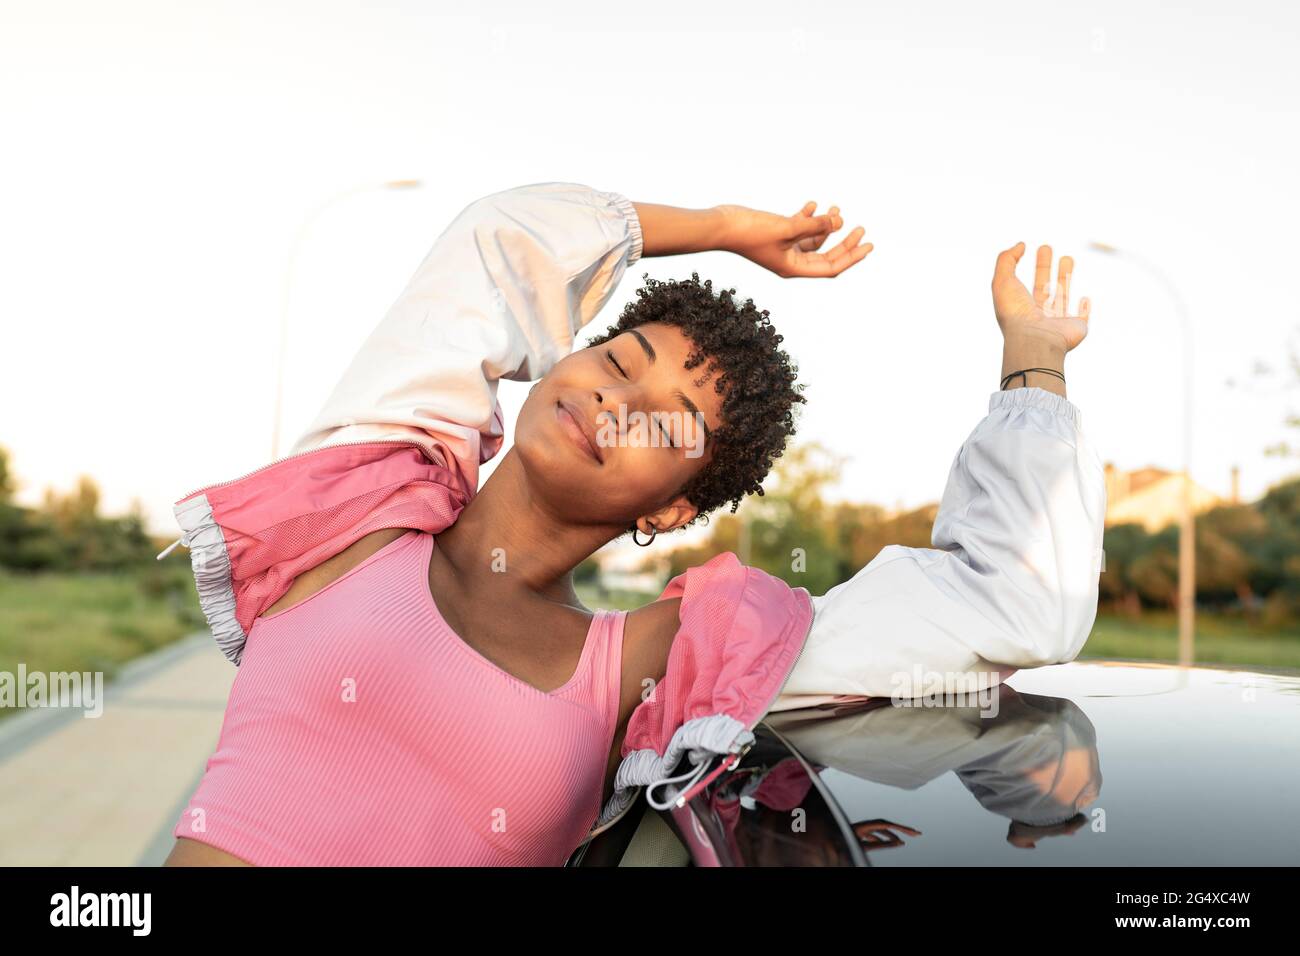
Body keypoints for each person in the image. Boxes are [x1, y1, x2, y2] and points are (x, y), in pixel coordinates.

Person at [163, 181, 1103, 867]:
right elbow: (498, 241)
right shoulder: (363, 511)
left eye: (665, 418)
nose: (615, 402)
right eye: (620, 360)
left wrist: (1033, 360)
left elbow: (1016, 605)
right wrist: (728, 230)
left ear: (674, 507)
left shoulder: (657, 664)